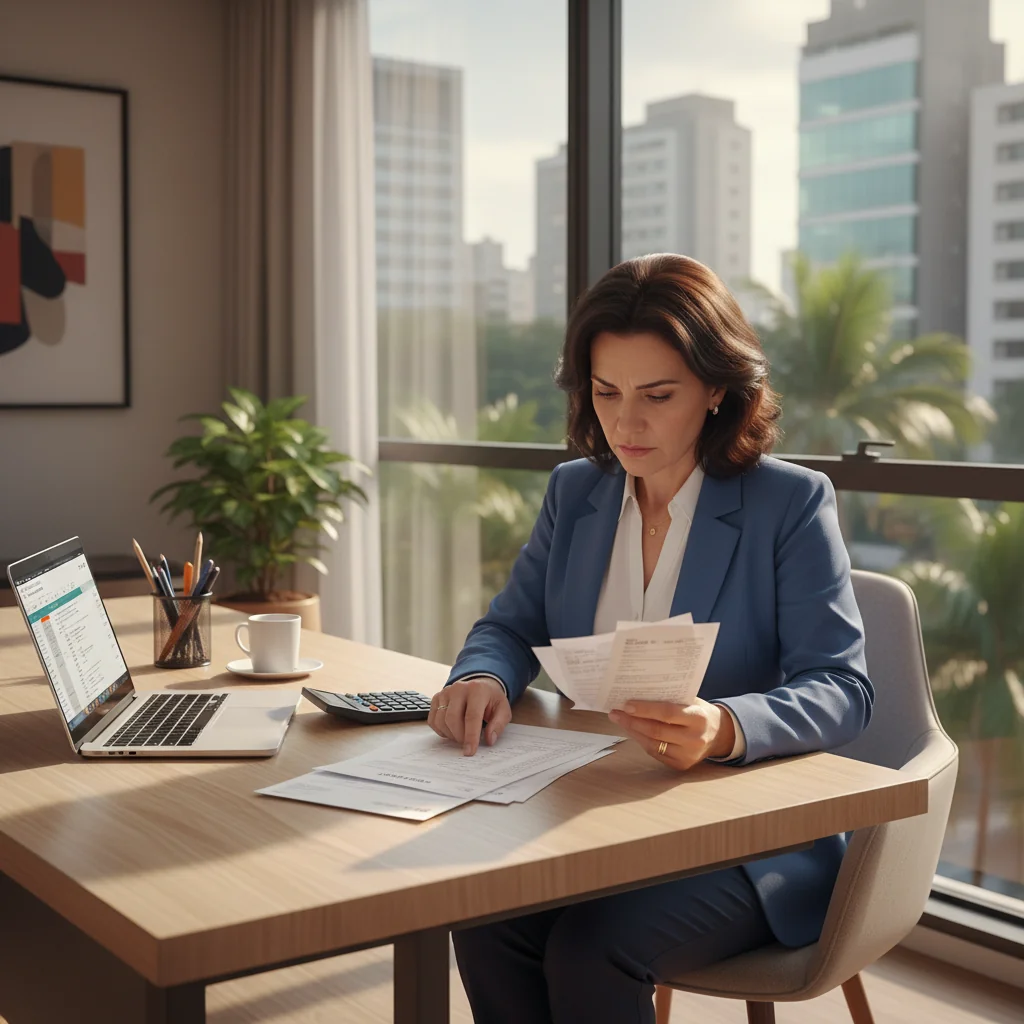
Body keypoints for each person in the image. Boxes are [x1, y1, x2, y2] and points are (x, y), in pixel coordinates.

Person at [427, 253, 874, 1024]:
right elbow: (509, 624)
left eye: (657, 396)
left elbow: (844, 688)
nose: (625, 422)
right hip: (595, 807)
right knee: (486, 916)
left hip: (745, 842)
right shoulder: (577, 492)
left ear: (717, 390)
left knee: (588, 947)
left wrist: (726, 725)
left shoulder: (789, 503)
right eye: (606, 392)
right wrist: (484, 677)